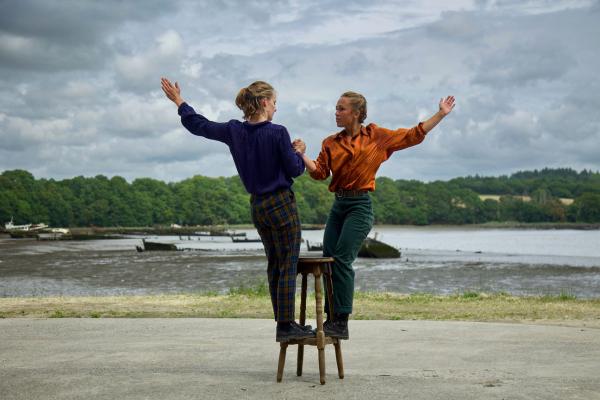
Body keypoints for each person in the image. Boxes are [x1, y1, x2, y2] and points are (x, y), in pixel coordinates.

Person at [161, 78, 314, 342]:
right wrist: (300, 152)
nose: (276, 108)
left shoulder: (235, 131)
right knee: (288, 264)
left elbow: (199, 125)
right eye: (275, 103)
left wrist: (178, 101)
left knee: (274, 264)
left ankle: (283, 322)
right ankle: (287, 326)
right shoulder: (278, 132)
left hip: (257, 207)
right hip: (280, 204)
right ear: (265, 102)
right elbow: (294, 170)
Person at [294, 91, 455, 339]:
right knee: (327, 261)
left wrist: (441, 115)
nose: (335, 113)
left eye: (341, 109)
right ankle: (330, 319)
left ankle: (342, 322)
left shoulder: (376, 136)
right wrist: (302, 155)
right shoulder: (331, 142)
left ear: (356, 113)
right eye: (336, 108)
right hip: (338, 206)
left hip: (360, 207)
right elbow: (320, 173)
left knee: (342, 260)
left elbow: (413, 134)